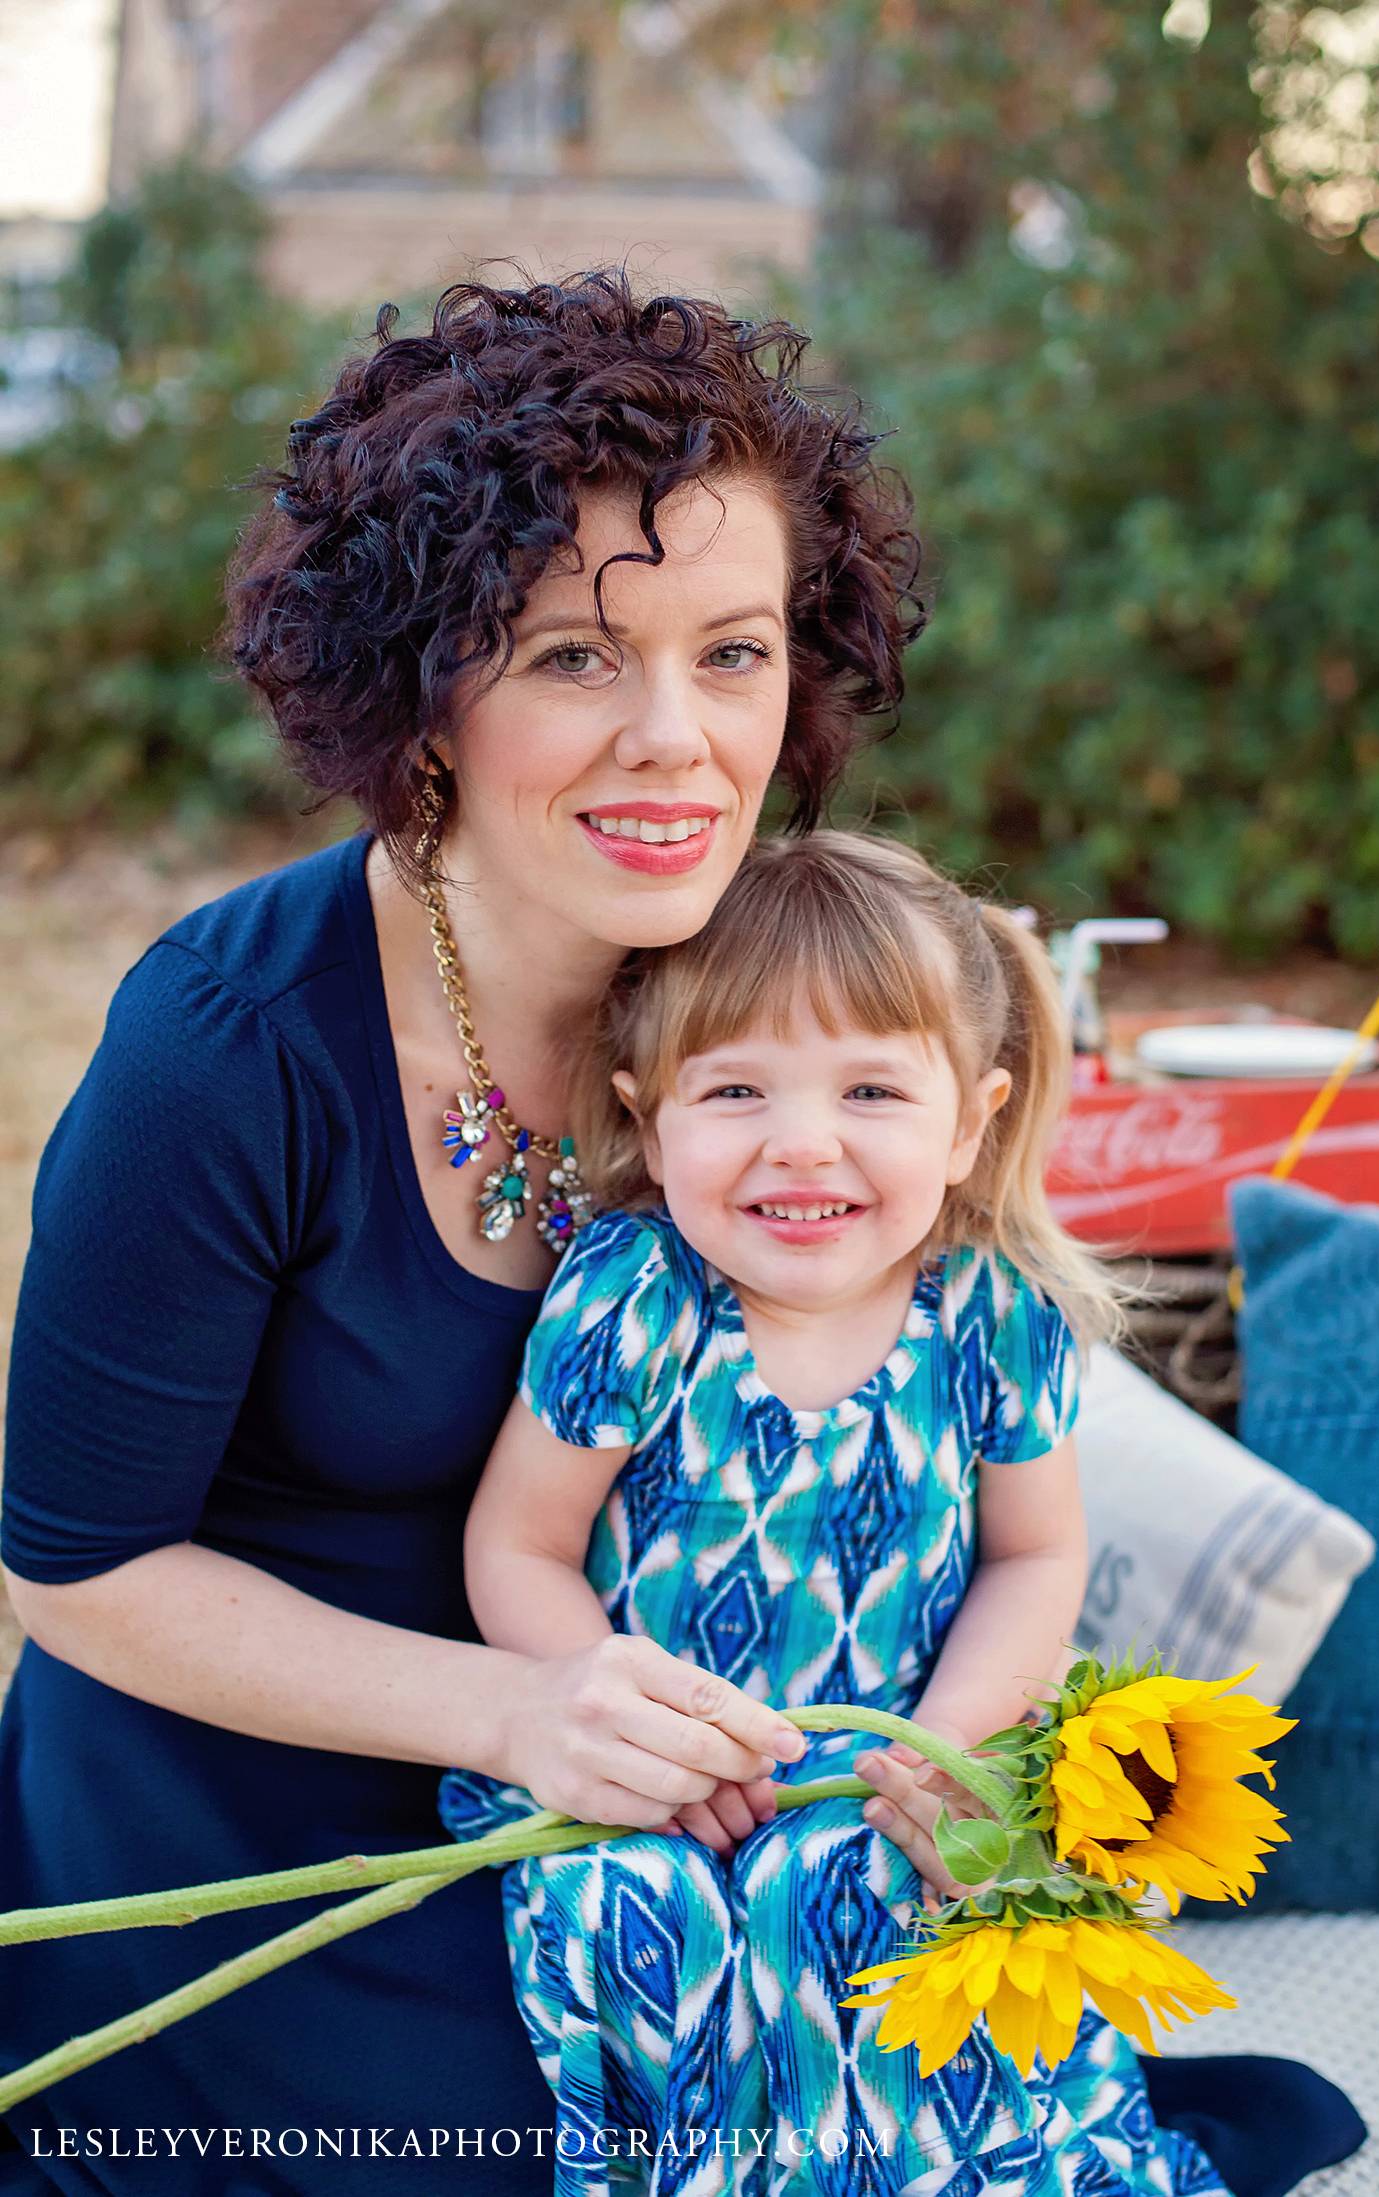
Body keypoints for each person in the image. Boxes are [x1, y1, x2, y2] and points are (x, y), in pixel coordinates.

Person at [0, 272, 921, 2194]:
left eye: (732, 651)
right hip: (253, 1809)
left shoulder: (789, 1008)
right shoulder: (227, 1047)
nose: (678, 739)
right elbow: (73, 1570)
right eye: (575, 656)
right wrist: (512, 1708)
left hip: (647, 1783)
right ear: (422, 685)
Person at [437, 829, 1233, 2197]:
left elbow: (1035, 1555)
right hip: (656, 1779)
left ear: (970, 1117)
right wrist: (618, 1713)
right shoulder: (637, 1293)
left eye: (870, 1088)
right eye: (735, 1088)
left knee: (878, 1889)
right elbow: (520, 1541)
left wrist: (949, 1744)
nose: (801, 1142)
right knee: (638, 1902)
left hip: (893, 1759)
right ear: (647, 1109)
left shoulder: (992, 1312)